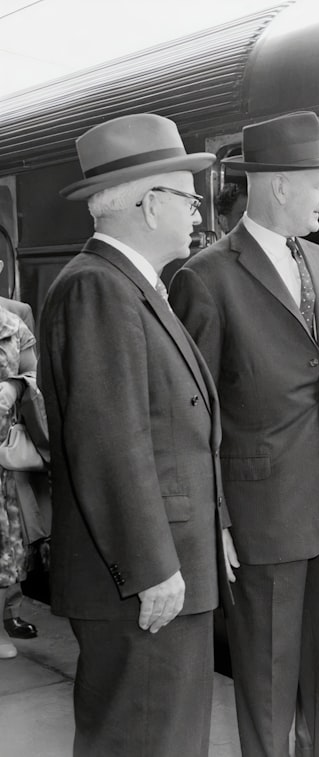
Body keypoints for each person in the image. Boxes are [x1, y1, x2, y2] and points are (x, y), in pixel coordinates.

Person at [169, 111, 319, 757]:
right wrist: (219, 516)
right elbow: (190, 413)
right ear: (280, 186)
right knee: (267, 679)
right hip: (262, 515)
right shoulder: (205, 277)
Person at [39, 113, 234, 757]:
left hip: (167, 569)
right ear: (151, 204)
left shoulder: (130, 287)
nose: (199, 211)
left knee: (167, 737)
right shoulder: (99, 289)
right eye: (188, 196)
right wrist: (153, 568)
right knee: (145, 739)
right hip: (145, 582)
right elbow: (110, 444)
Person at [0, 289, 42, 643]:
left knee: (10, 535)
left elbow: (35, 375)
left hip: (3, 449)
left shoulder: (16, 317)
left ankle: (9, 614)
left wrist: (13, 388)